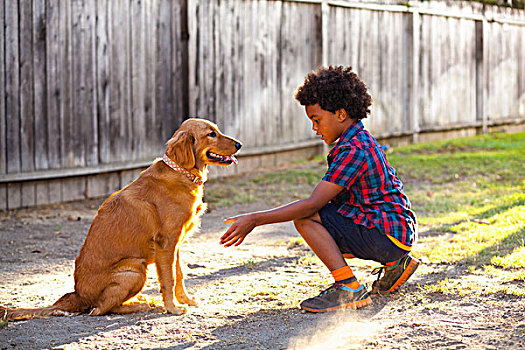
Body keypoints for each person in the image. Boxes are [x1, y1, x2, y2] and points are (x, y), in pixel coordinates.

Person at [220, 65, 419, 313]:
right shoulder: (359, 139)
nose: (315, 128)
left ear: (340, 114)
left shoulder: (352, 149)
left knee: (306, 218)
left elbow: (313, 205)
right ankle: (395, 264)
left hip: (385, 234)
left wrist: (255, 219)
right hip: (398, 231)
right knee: (330, 211)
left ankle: (348, 287)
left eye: (317, 120)